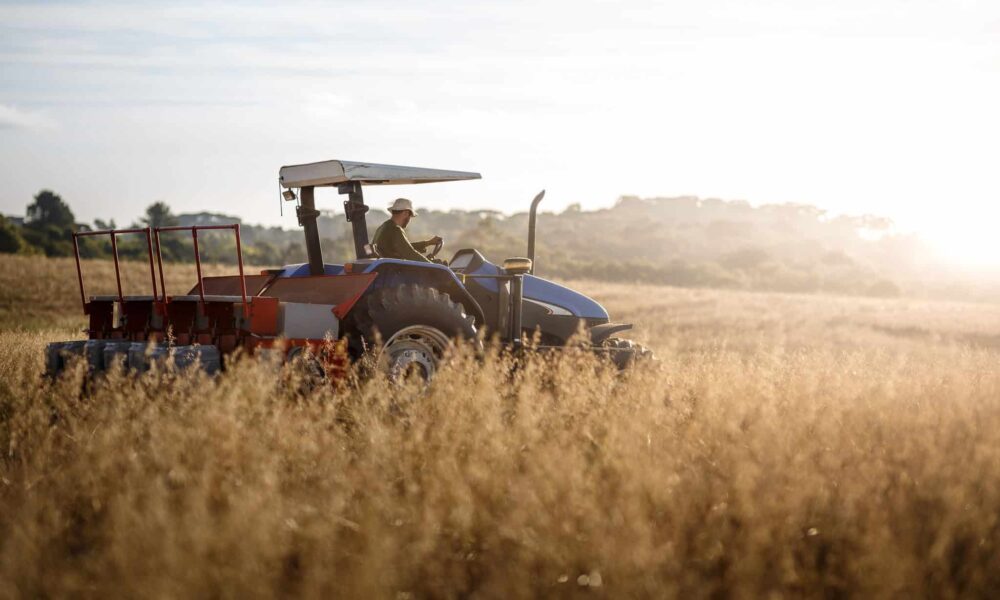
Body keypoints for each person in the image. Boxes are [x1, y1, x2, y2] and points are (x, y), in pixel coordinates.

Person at [371, 198, 443, 263]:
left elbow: (404, 247)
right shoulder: (395, 229)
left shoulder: (384, 227)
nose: (409, 220)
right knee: (439, 265)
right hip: (394, 271)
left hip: (388, 268)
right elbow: (409, 253)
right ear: (406, 213)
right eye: (410, 216)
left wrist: (428, 243)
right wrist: (432, 266)